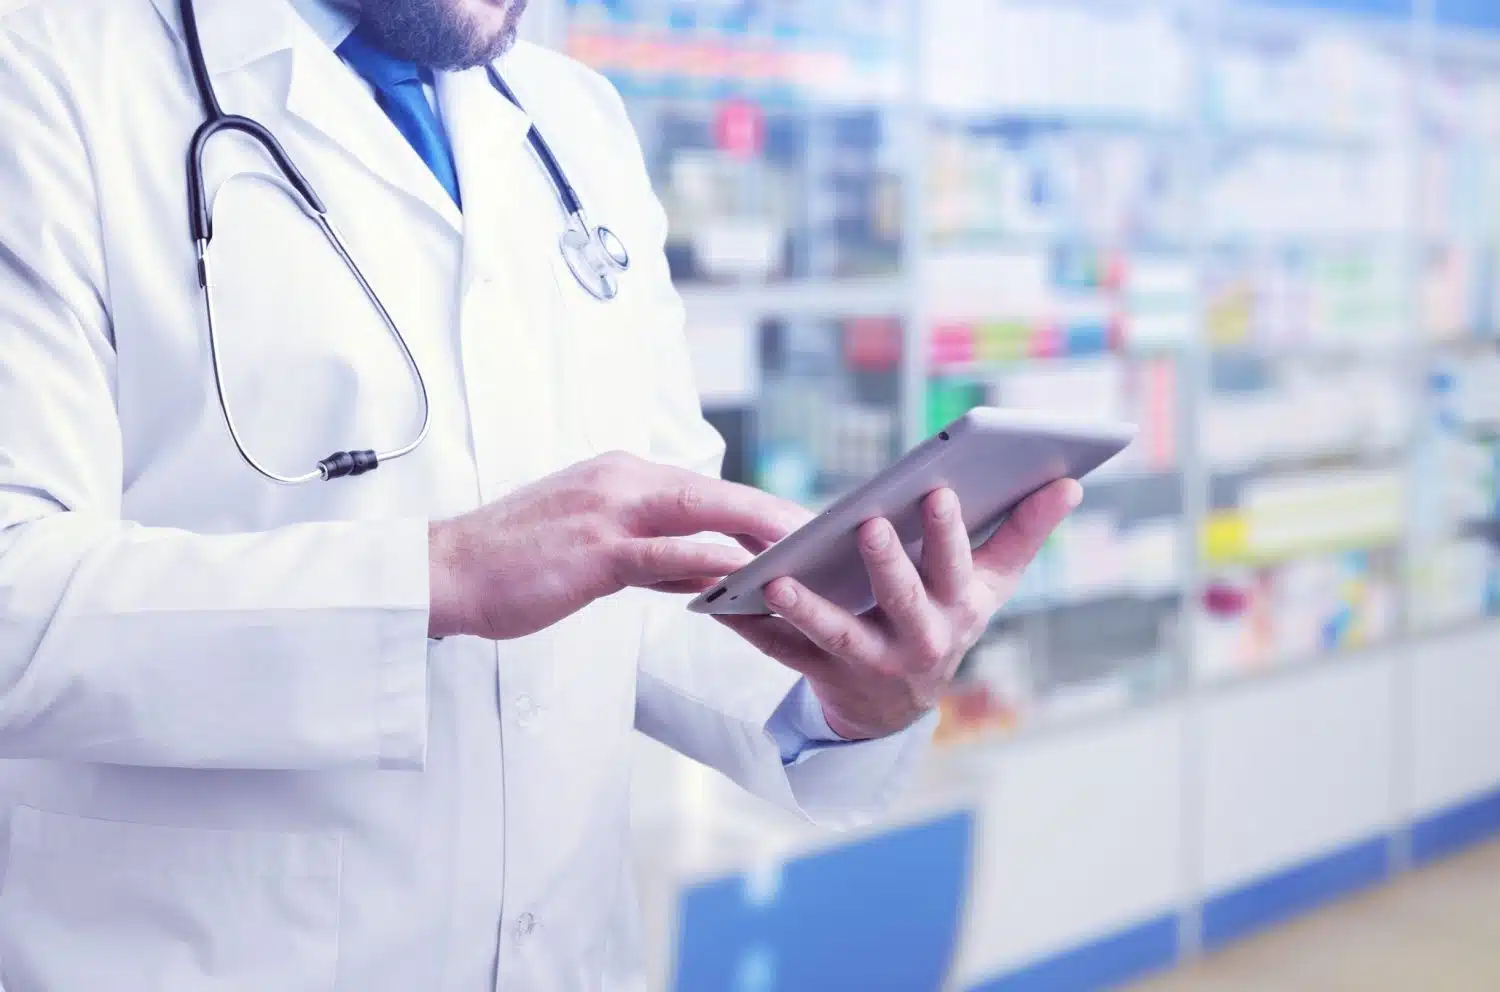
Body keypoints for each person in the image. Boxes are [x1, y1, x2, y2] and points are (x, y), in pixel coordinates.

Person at [0, 0, 1081, 988]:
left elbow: (649, 560)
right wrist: (438, 577)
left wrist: (842, 689)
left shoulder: (577, 120)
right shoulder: (47, 76)